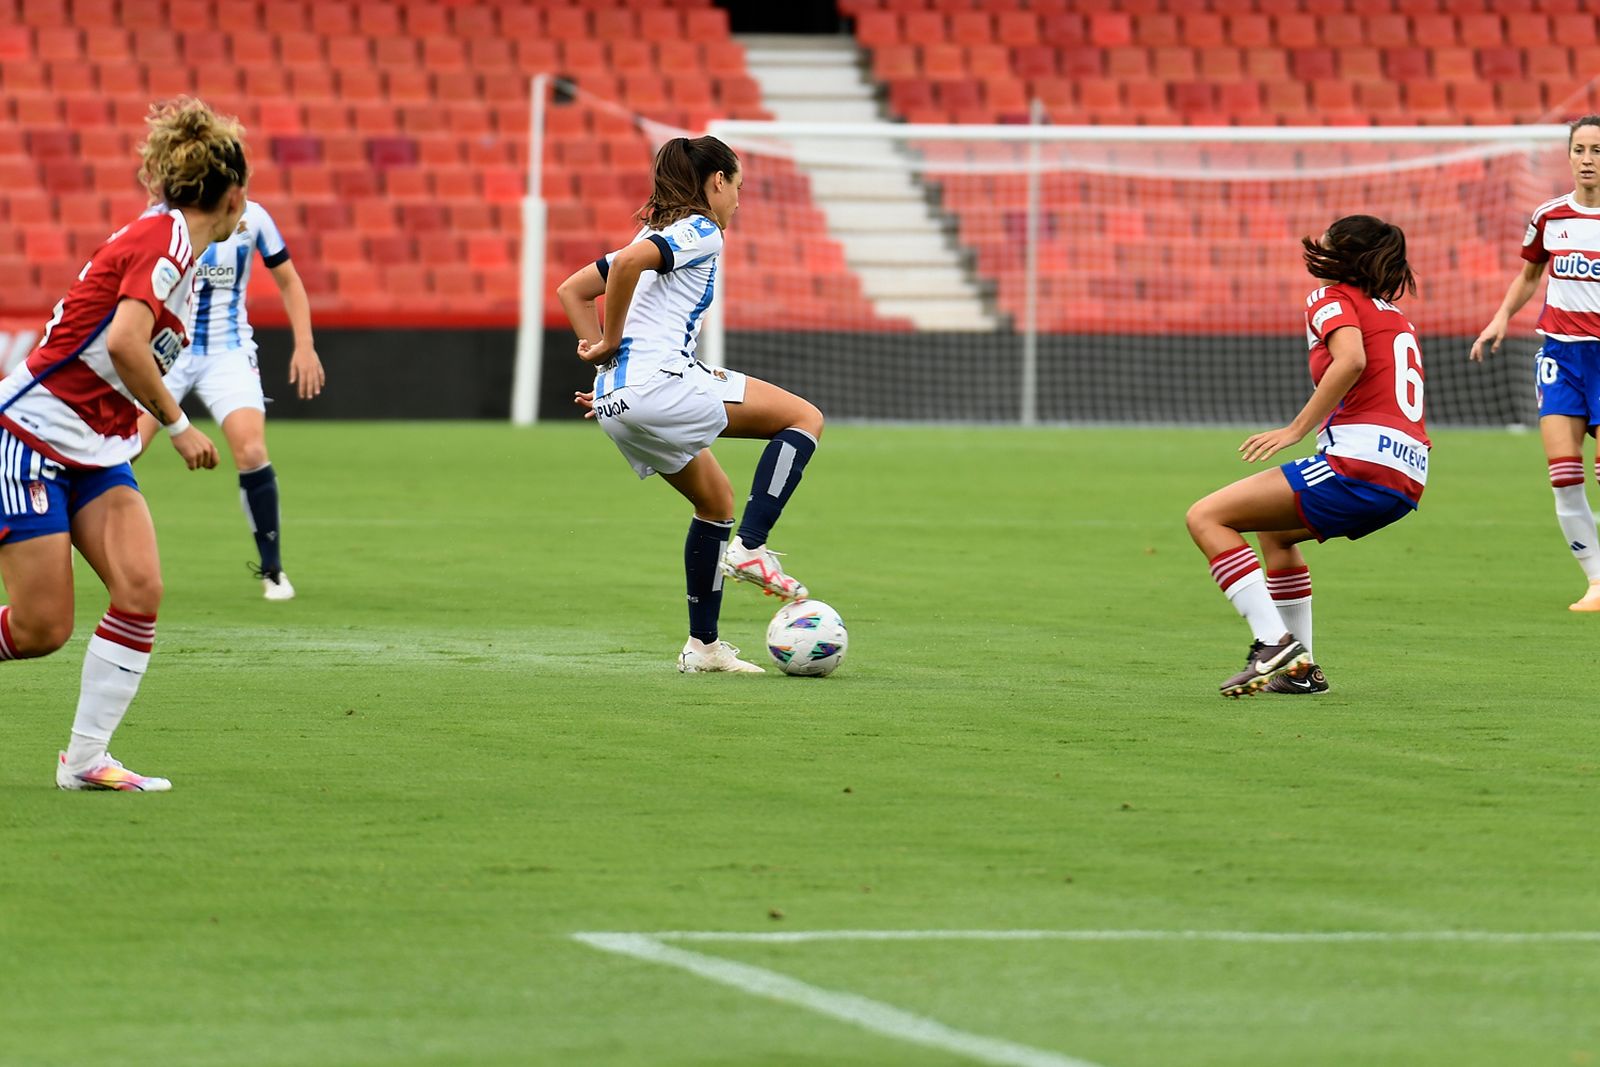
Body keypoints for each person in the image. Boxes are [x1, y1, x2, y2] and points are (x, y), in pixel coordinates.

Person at [0, 97, 245, 789]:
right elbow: (124, 342)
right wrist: (177, 425)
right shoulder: (162, 242)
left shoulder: (185, 264)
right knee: (41, 627)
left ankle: (84, 762)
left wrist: (129, 431)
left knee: (140, 589)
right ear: (234, 197)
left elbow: (131, 365)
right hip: (32, 434)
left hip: (93, 446)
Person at [556, 135, 824, 673]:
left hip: (617, 402)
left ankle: (703, 647)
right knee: (804, 418)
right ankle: (751, 547)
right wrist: (608, 345)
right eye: (738, 187)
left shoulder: (651, 230)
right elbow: (631, 265)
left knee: (716, 501)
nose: (739, 201)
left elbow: (572, 290)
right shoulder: (701, 230)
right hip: (661, 382)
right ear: (717, 181)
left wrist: (608, 369)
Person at [1186, 215, 1429, 697]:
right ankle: (1301, 672)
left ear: (1340, 255)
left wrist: (1297, 428)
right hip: (1407, 472)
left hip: (1359, 463)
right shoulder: (1394, 316)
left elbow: (1353, 360)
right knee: (1276, 534)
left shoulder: (1330, 296)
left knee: (1206, 517)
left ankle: (1272, 642)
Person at [134, 192, 323, 600]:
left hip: (228, 350)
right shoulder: (161, 218)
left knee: (252, 451)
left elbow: (288, 279)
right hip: (168, 350)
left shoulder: (253, 217)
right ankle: (71, 542)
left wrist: (304, 344)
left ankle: (272, 569)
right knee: (125, 447)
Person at [1472, 114, 1600, 611]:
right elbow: (1530, 275)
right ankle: (1595, 582)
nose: (1588, 160)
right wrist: (1502, 316)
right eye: (1581, 150)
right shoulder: (1549, 216)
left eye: (1597, 150)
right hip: (1561, 355)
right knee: (1564, 475)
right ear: (1568, 155)